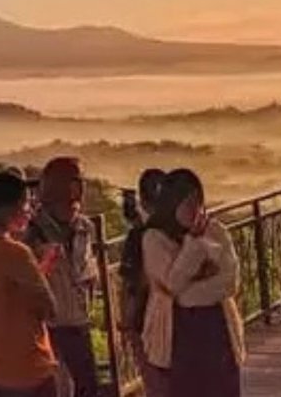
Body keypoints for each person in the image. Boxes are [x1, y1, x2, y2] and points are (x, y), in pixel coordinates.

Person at [141, 170, 243, 397]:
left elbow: (230, 282)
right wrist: (194, 246)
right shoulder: (154, 239)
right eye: (188, 204)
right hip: (179, 334)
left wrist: (189, 293)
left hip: (218, 330)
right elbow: (173, 284)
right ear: (172, 203)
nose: (195, 211)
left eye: (198, 203)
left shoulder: (216, 231)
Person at [0, 171, 60, 397]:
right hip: (27, 371)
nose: (30, 210)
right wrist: (39, 273)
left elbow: (2, 294)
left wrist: (38, 270)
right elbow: (49, 309)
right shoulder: (15, 253)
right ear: (9, 208)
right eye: (26, 203)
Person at [24, 157, 100, 397]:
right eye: (76, 182)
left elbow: (87, 269)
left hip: (78, 320)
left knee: (88, 386)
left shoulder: (84, 228)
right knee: (57, 389)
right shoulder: (33, 232)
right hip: (48, 324)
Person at [118, 169, 167, 397]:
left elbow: (135, 283)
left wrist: (127, 320)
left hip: (147, 319)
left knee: (155, 382)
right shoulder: (185, 231)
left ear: (143, 201)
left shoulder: (139, 237)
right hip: (182, 318)